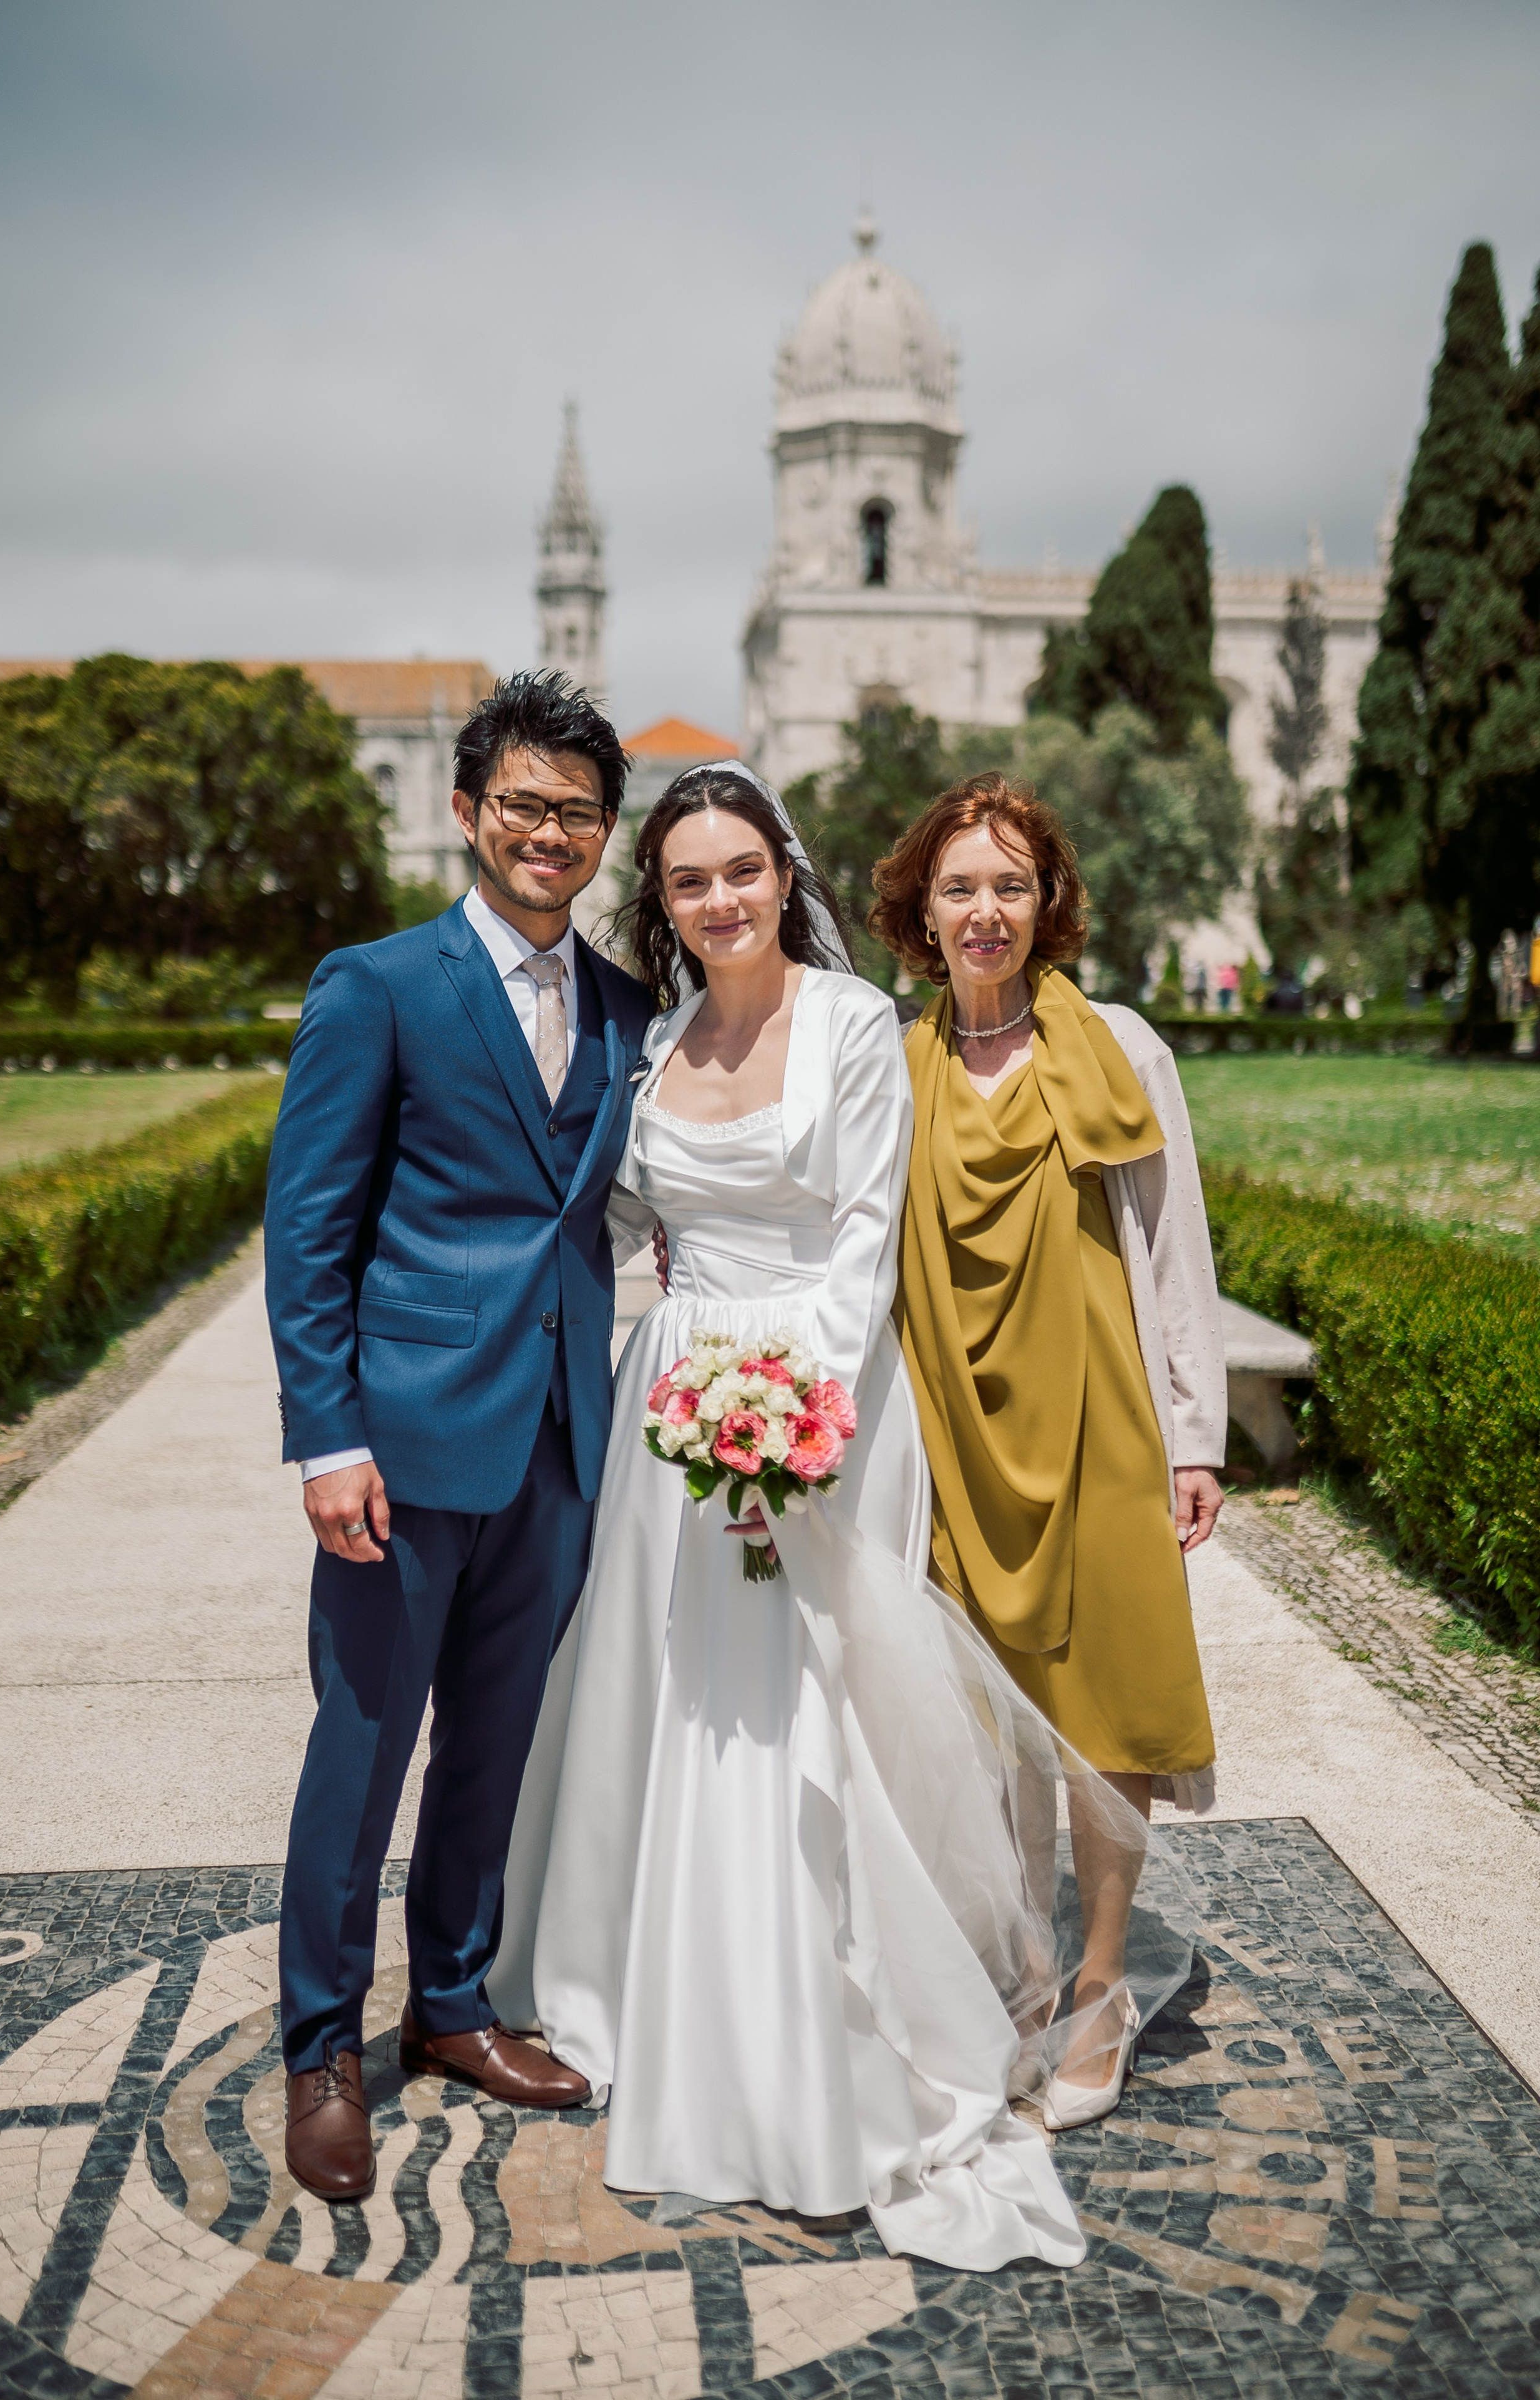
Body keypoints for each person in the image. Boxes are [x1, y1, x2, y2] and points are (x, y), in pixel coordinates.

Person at [501, 763, 1194, 2271]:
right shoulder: (660, 1036)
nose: (718, 899)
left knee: (817, 1718)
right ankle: (658, 1987)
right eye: (688, 881)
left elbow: (867, 1230)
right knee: (674, 1708)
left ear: (782, 874)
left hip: (812, 1408)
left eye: (740, 869)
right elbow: (627, 1217)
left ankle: (862, 1991)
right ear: (662, 905)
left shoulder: (854, 1024)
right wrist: (675, 1362)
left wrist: (782, 1423)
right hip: (670, 1406)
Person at [263, 671, 654, 2201]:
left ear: (603, 833)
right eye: (523, 804)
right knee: (357, 1758)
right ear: (466, 810)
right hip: (402, 1448)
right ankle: (318, 2047)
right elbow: (309, 1234)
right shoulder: (375, 984)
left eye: (577, 811)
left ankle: (448, 2007)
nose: (548, 832)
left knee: (491, 1751)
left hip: (560, 1446)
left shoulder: (626, 1007)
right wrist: (325, 1441)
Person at [871, 771, 1224, 2131]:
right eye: (957, 885)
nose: (983, 910)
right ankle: (1020, 1968)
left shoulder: (1118, 1048)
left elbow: (1172, 1248)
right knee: (985, 1718)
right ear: (918, 908)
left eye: (1009, 885)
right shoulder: (893, 1064)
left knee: (1099, 1712)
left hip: (1101, 1421)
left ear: (1046, 903)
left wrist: (1192, 1432)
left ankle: (1097, 1983)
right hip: (951, 1423)